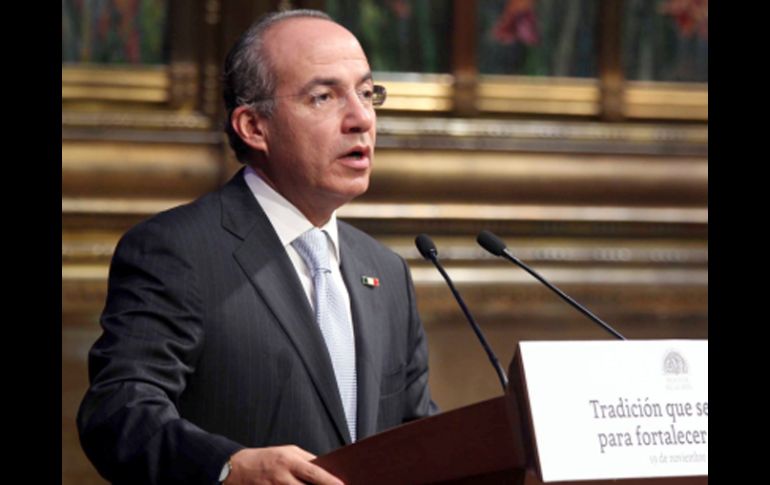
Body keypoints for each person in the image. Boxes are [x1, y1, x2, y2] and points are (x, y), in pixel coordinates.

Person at [77, 9, 438, 485]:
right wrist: (227, 467)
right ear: (253, 126)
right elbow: (119, 411)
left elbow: (419, 437)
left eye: (367, 94)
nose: (361, 119)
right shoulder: (177, 251)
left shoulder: (385, 271)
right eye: (324, 96)